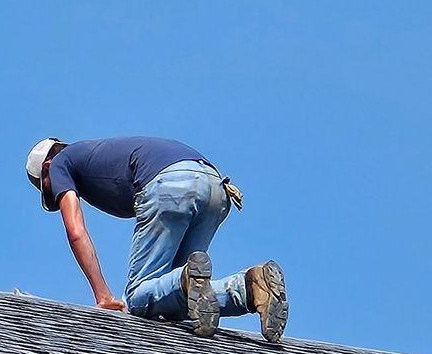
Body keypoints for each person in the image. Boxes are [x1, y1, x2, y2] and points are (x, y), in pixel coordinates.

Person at [25, 135, 288, 342]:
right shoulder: (95, 153)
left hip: (171, 185)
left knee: (140, 296)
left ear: (47, 167)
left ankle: (185, 280)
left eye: (44, 185)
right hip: (215, 187)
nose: (53, 193)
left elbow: (76, 231)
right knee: (174, 303)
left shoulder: (60, 163)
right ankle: (250, 289)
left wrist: (102, 295)